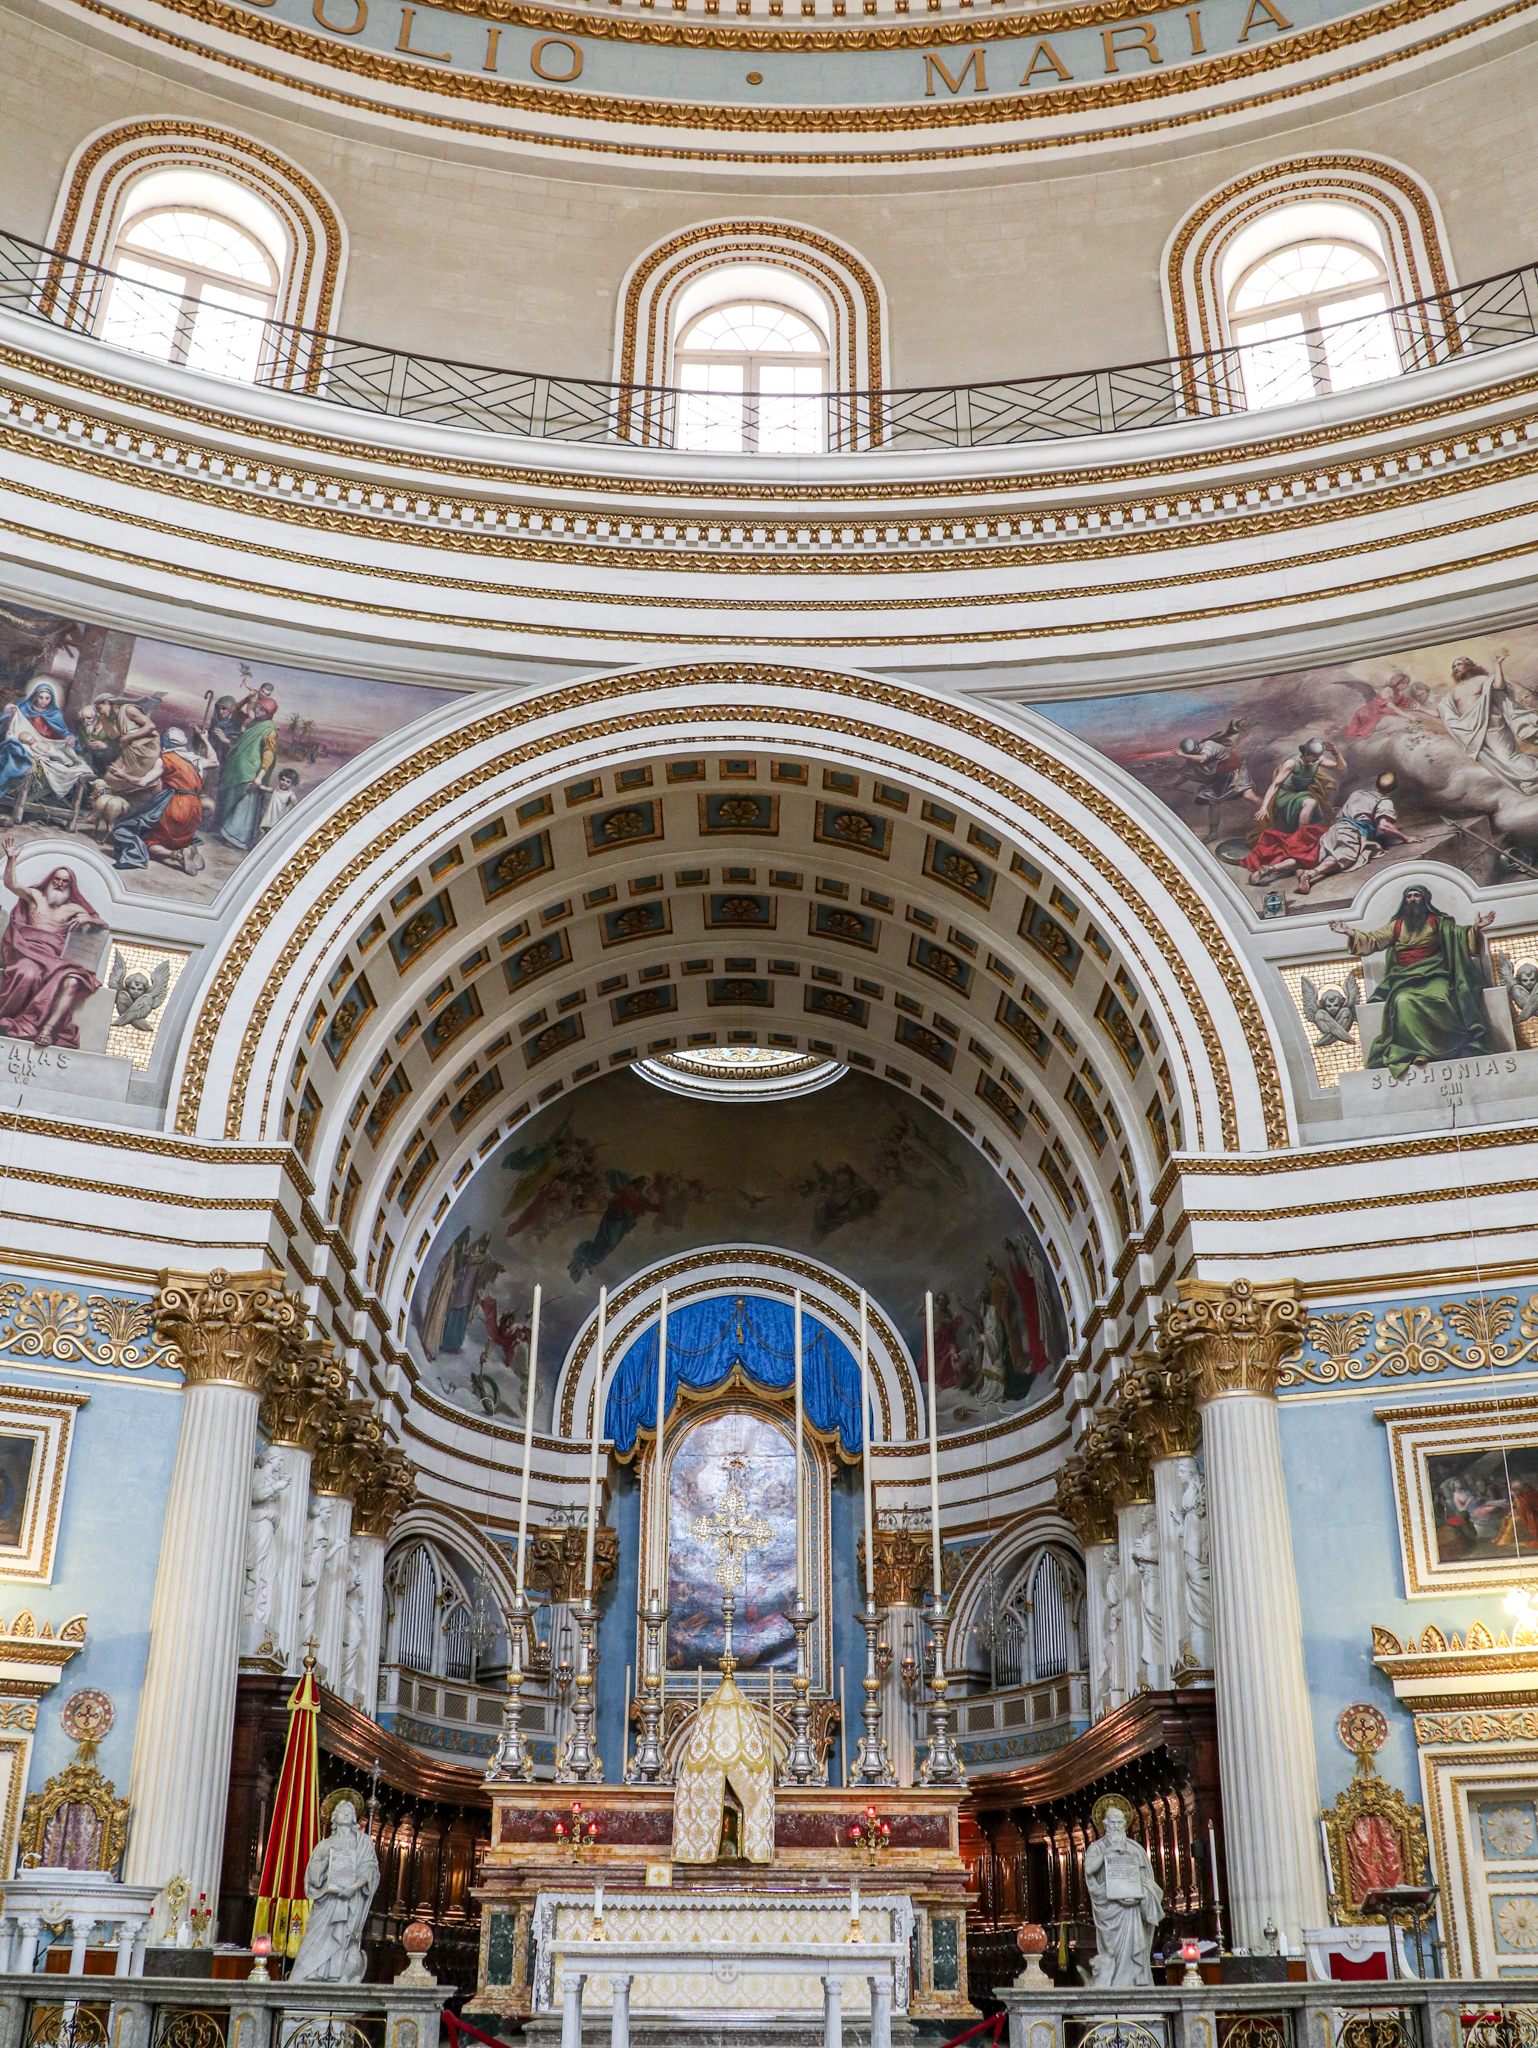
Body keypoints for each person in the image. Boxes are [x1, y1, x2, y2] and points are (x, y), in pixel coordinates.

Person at [1331, 884, 1496, 1075]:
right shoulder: (1397, 925)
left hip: (1434, 975)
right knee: (1402, 1001)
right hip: (1405, 979)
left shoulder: (1437, 922)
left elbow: (1460, 935)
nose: (1412, 899)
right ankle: (1415, 1051)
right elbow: (1373, 940)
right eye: (1408, 896)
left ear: (1425, 900)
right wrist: (1349, 932)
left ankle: (1448, 1045)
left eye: (1416, 896)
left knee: (1440, 999)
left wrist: (1475, 929)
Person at [0, 841, 107, 1048]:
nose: (59, 884)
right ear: (50, 880)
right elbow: (11, 884)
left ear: (70, 886)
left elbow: (102, 924)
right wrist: (12, 859)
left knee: (72, 982)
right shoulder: (35, 897)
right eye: (56, 879)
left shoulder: (74, 909)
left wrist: (90, 920)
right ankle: (12, 1020)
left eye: (64, 882)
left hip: (55, 960)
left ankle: (47, 1029)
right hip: (27, 952)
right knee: (27, 973)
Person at [288, 1800, 380, 1983]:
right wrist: (328, 1862)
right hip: (326, 1901)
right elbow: (312, 1875)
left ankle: (335, 1976)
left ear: (354, 1817)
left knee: (344, 1938)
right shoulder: (324, 1845)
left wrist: (353, 1887)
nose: (345, 1812)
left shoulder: (363, 1842)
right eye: (341, 1810)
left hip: (349, 1902)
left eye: (349, 1810)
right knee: (313, 1939)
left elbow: (369, 1869)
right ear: (334, 1817)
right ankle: (309, 1975)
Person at [108, 726, 215, 873]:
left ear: (165, 744)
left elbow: (142, 782)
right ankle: (188, 847)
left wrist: (122, 775)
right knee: (179, 836)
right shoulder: (196, 760)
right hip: (195, 808)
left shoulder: (165, 760)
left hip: (176, 805)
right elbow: (214, 762)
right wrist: (205, 740)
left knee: (145, 841)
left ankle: (176, 854)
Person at [1084, 1802, 1164, 1987]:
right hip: (1110, 1910)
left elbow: (1146, 1881)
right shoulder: (1097, 1848)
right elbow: (1089, 1870)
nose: (1117, 1826)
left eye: (1120, 1822)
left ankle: (1136, 1982)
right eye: (1112, 1822)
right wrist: (1107, 1853)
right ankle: (1111, 1983)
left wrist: (1139, 1894)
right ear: (1105, 1824)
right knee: (1110, 1950)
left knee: (1135, 1950)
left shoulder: (1135, 1849)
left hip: (1132, 1910)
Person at [1244, 737, 1346, 880]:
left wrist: (1335, 752)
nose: (1316, 760)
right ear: (1305, 753)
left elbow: (1341, 767)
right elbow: (1275, 785)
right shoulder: (1292, 763)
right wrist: (1264, 807)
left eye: (1318, 757)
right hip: (1286, 796)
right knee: (1310, 803)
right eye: (1313, 757)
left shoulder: (1317, 759)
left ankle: (1302, 841)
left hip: (1302, 794)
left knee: (1315, 816)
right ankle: (1301, 838)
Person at [1440, 649, 1538, 791]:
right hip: (1471, 731)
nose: (1456, 668)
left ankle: (1533, 773)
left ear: (1468, 666)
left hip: (1491, 725)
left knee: (1508, 757)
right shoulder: (1454, 692)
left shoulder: (1480, 680)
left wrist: (1497, 664)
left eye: (1459, 664)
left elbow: (1499, 686)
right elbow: (1444, 711)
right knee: (1498, 761)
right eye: (1454, 666)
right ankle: (1530, 779)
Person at [1293, 773, 1410, 892]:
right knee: (1346, 856)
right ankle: (1310, 874)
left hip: (1335, 830)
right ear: (1392, 789)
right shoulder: (1384, 802)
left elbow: (1339, 816)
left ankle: (1301, 870)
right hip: (1350, 832)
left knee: (1328, 855)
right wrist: (1406, 838)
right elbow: (1385, 826)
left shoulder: (1357, 793)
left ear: (1376, 782)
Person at [0, 682, 92, 811]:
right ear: (35, 696)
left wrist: (71, 740)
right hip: (31, 747)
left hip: (50, 745)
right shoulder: (24, 708)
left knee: (64, 760)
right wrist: (10, 714)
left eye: (47, 698)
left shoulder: (55, 714)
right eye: (40, 697)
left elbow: (63, 733)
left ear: (52, 699)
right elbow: (8, 723)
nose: (43, 701)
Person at [216, 693, 280, 850]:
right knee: (232, 799)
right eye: (258, 707)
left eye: (262, 710)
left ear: (269, 714)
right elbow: (234, 711)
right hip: (238, 768)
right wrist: (246, 699)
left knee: (244, 805)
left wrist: (260, 776)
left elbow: (268, 754)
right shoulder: (253, 722)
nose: (258, 711)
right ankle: (226, 833)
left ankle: (237, 838)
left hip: (250, 772)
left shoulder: (269, 731)